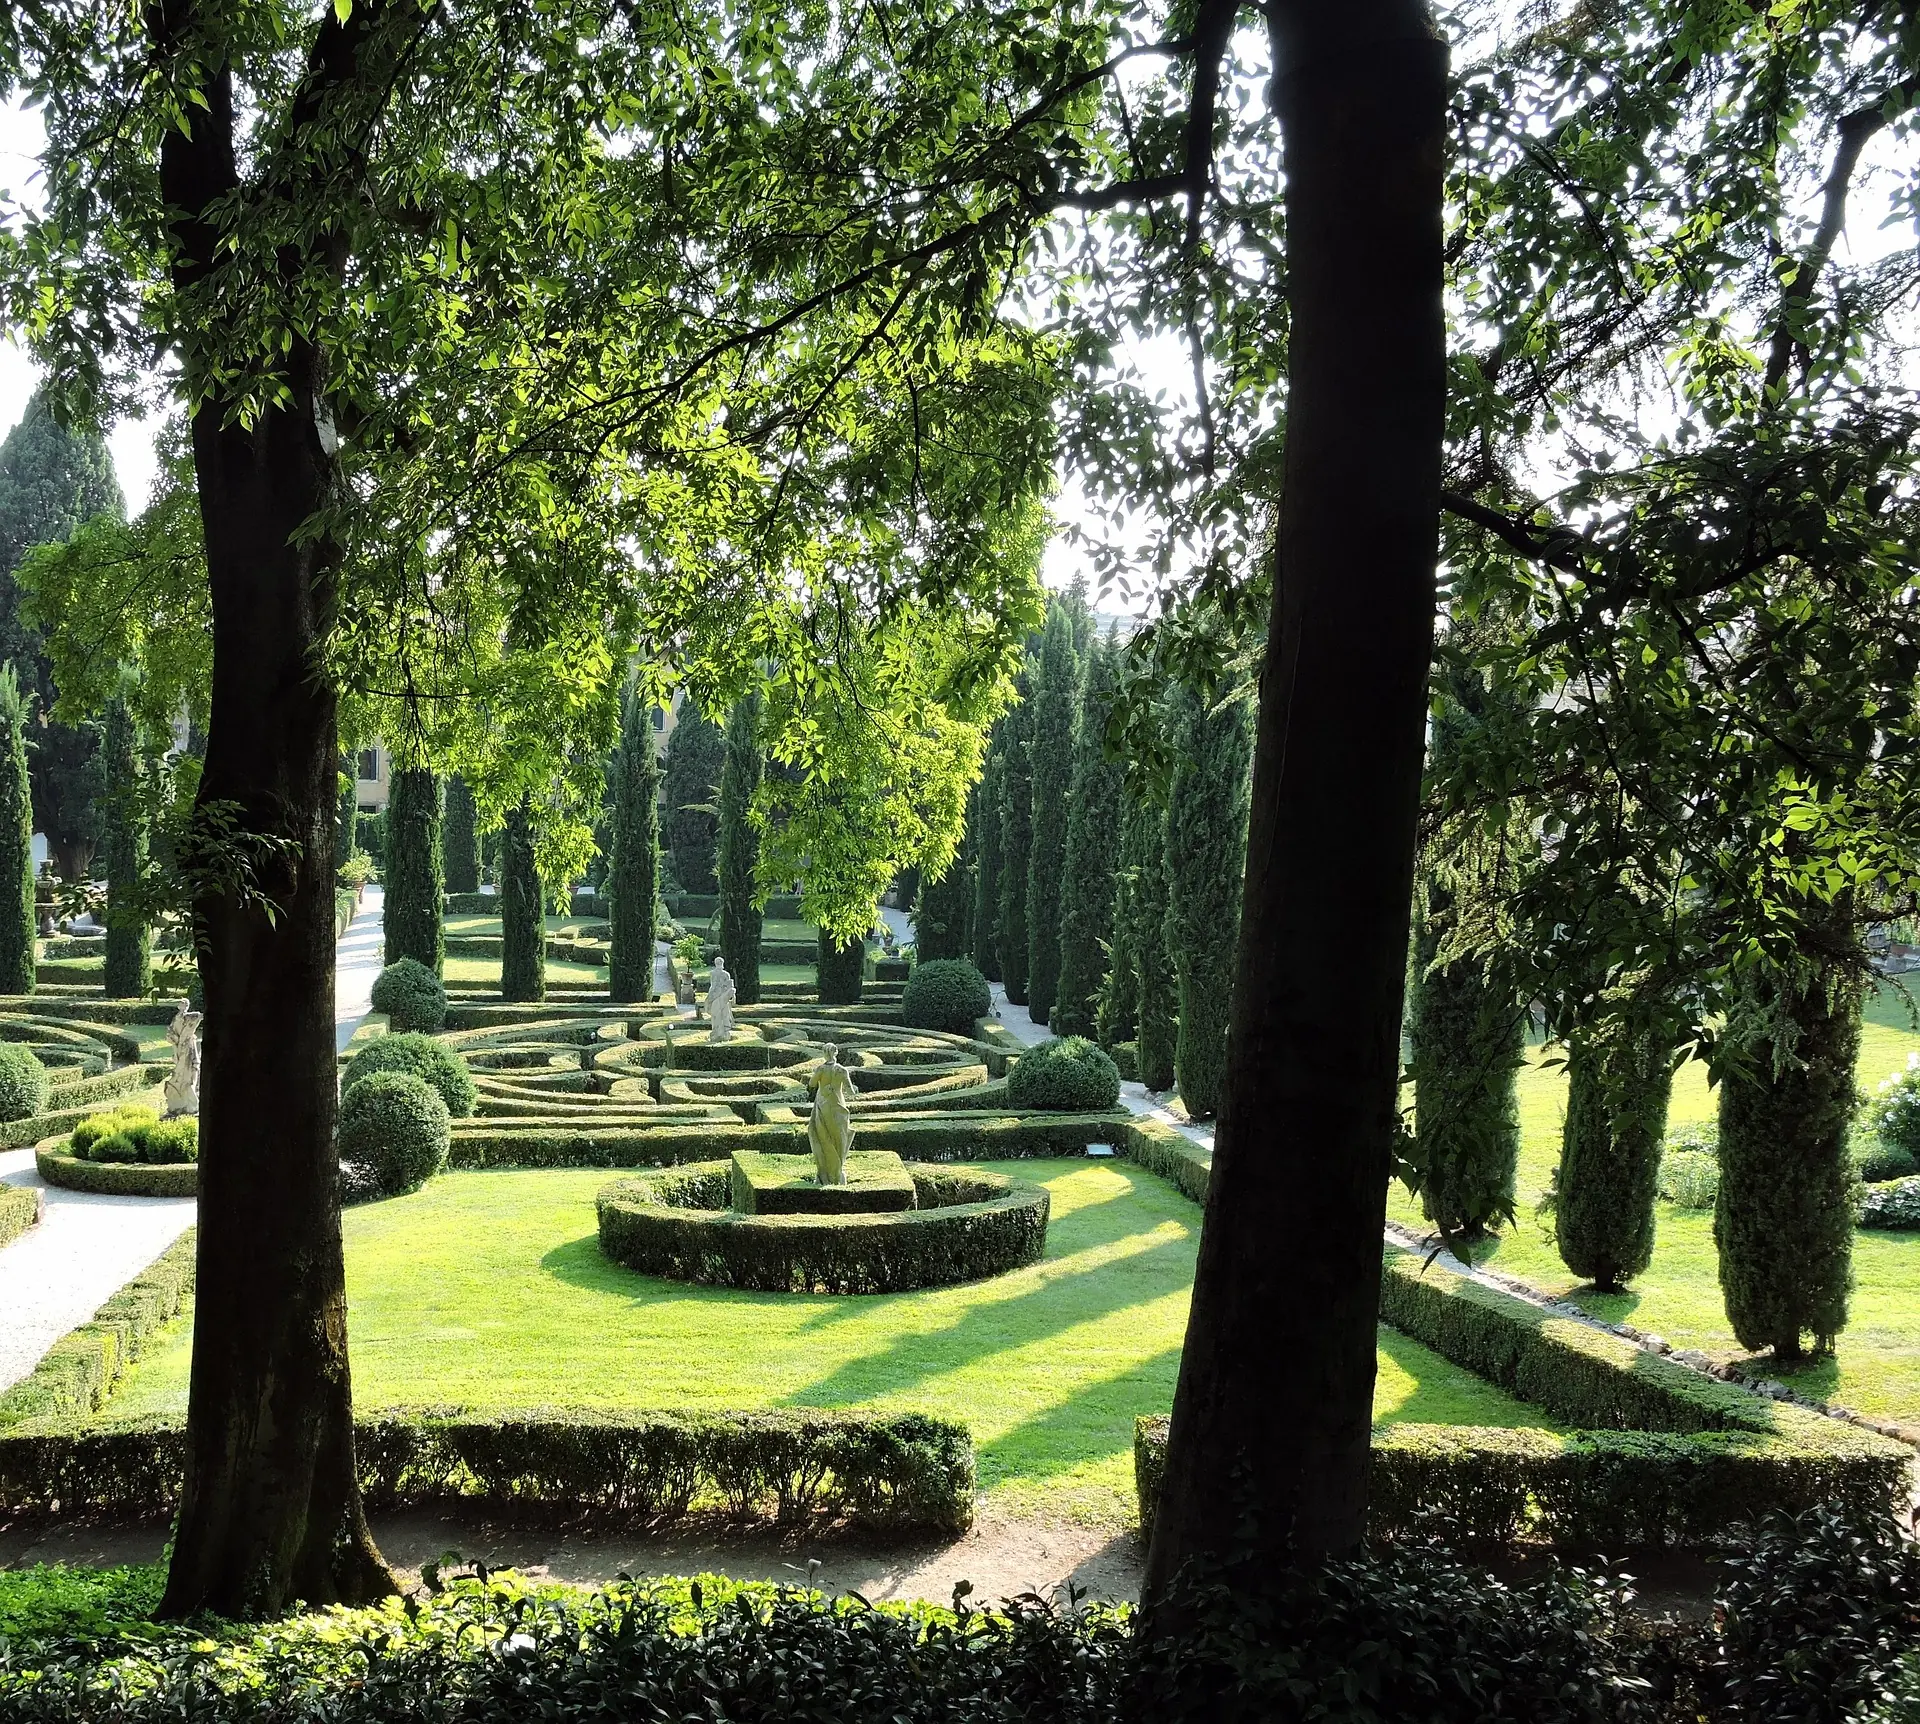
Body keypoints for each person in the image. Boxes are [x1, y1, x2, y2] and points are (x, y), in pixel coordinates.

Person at [808, 1046, 857, 1185]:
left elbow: (811, 1084)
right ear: (836, 1053)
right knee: (839, 1140)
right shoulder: (842, 1070)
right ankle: (837, 1174)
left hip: (823, 1106)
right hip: (838, 1108)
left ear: (824, 1054)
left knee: (823, 1138)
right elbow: (851, 1091)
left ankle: (824, 1175)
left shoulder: (820, 1069)